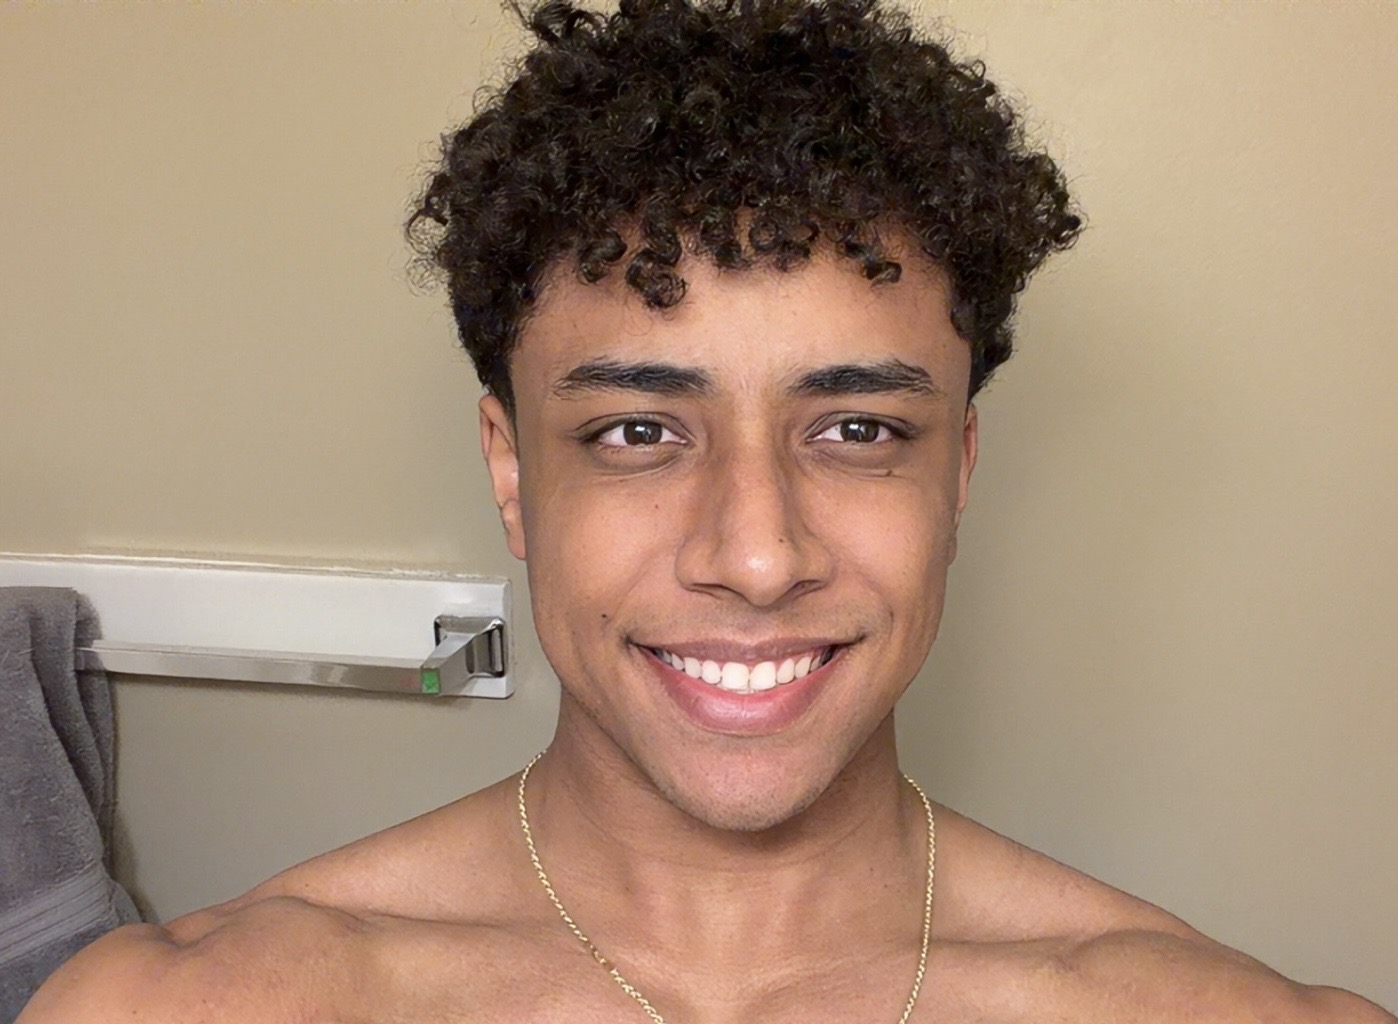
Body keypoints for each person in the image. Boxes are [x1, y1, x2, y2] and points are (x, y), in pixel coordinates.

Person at [18, 0, 1395, 1020]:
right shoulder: (187, 1009)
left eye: (858, 430)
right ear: (511, 470)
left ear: (958, 470)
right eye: (636, 431)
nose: (755, 555)